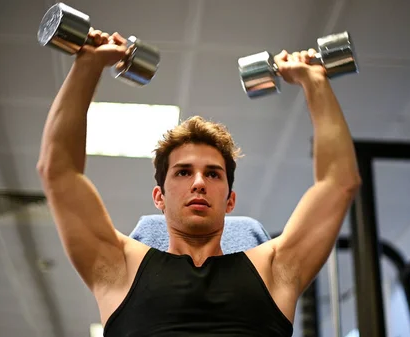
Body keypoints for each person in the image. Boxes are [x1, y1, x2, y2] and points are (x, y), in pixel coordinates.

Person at [37, 29, 361, 337]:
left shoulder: (275, 272)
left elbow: (339, 183)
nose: (198, 183)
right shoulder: (119, 268)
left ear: (230, 200)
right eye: (182, 172)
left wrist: (314, 80)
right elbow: (59, 173)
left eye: (213, 174)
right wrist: (89, 63)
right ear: (159, 197)